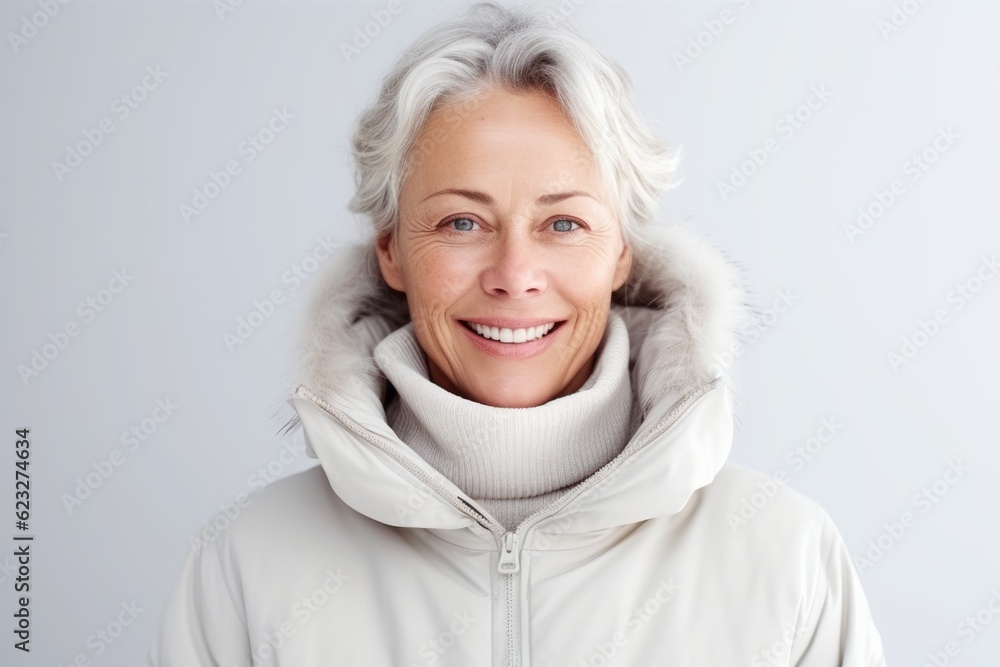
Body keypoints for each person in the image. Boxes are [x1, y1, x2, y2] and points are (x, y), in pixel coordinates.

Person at [148, 2, 887, 664]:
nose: (514, 273)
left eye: (563, 223)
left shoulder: (784, 558)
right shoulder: (245, 568)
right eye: (462, 222)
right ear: (390, 248)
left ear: (621, 251)